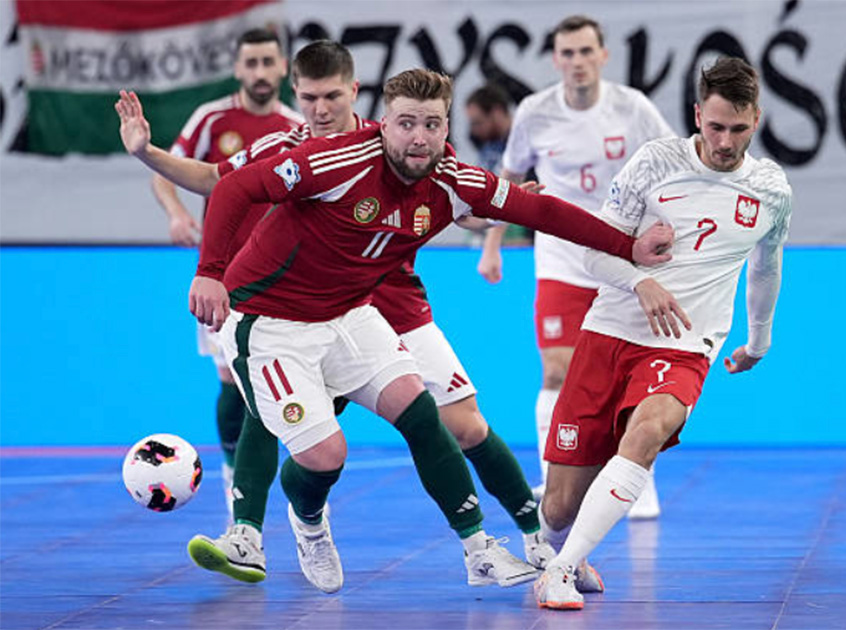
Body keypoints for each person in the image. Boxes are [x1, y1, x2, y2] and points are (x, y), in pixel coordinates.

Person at [188, 68, 674, 595]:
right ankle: (302, 522)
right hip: (269, 319)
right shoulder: (336, 161)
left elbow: (543, 211)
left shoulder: (453, 179)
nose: (418, 137)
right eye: (406, 124)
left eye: (431, 124)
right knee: (325, 456)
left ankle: (479, 550)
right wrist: (209, 271)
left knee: (422, 412)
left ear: (446, 127)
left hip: (349, 313)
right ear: (383, 124)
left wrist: (628, 245)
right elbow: (234, 185)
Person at [117, 41, 557, 587]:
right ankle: (252, 532)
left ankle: (536, 539)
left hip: (388, 301)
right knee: (275, 413)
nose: (320, 110)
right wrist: (146, 153)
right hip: (297, 304)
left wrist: (500, 209)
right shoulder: (286, 144)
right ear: (295, 95)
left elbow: (455, 199)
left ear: (354, 91)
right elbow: (215, 179)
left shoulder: (395, 137)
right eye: (308, 98)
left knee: (462, 423)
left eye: (331, 97)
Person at [534, 56, 793, 609]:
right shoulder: (655, 162)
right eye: (715, 126)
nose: (725, 142)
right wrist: (640, 282)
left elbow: (766, 268)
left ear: (757, 119)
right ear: (698, 115)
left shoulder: (771, 189)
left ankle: (561, 568)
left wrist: (759, 341)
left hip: (685, 345)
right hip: (610, 331)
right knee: (558, 508)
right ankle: (558, 549)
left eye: (738, 129)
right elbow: (593, 253)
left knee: (648, 432)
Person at [477, 16, 675, 522]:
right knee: (557, 370)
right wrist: (492, 243)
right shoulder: (535, 111)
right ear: (555, 59)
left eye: (586, 51)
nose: (577, 62)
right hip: (561, 258)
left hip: (623, 258)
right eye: (568, 53)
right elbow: (509, 179)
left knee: (630, 379)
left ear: (603, 55)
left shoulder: (633, 108)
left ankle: (636, 482)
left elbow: (674, 165)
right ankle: (555, 474)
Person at [147, 27, 304, 515]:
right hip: (223, 277)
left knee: (287, 382)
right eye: (250, 63)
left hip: (285, 279)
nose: (260, 72)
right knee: (232, 380)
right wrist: (176, 212)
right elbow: (166, 172)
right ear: (238, 69)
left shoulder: (297, 126)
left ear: (283, 68)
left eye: (268, 62)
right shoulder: (212, 118)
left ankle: (304, 484)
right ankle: (236, 480)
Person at [465, 84, 532, 246]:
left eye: (478, 122)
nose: (474, 131)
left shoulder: (526, 144)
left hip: (518, 240)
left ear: (497, 112)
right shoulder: (486, 141)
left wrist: (530, 239)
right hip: (483, 234)